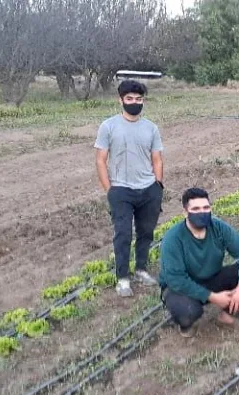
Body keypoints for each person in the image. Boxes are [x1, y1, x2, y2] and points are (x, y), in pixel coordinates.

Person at [94, 79, 164, 298]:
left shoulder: (151, 128)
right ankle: (123, 278)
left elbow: (157, 159)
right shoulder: (108, 126)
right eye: (130, 99)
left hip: (148, 189)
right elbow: (100, 160)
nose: (135, 103)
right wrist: (110, 189)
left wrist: (158, 185)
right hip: (121, 190)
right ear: (121, 100)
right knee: (123, 234)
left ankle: (141, 269)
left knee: (146, 232)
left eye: (139, 99)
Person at [159, 188, 239, 337]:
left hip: (211, 278)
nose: (202, 212)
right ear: (185, 212)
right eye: (196, 209)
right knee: (188, 311)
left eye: (206, 207)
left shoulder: (218, 227)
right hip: (180, 287)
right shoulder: (173, 238)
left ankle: (227, 316)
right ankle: (186, 325)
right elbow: (176, 280)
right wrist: (212, 297)